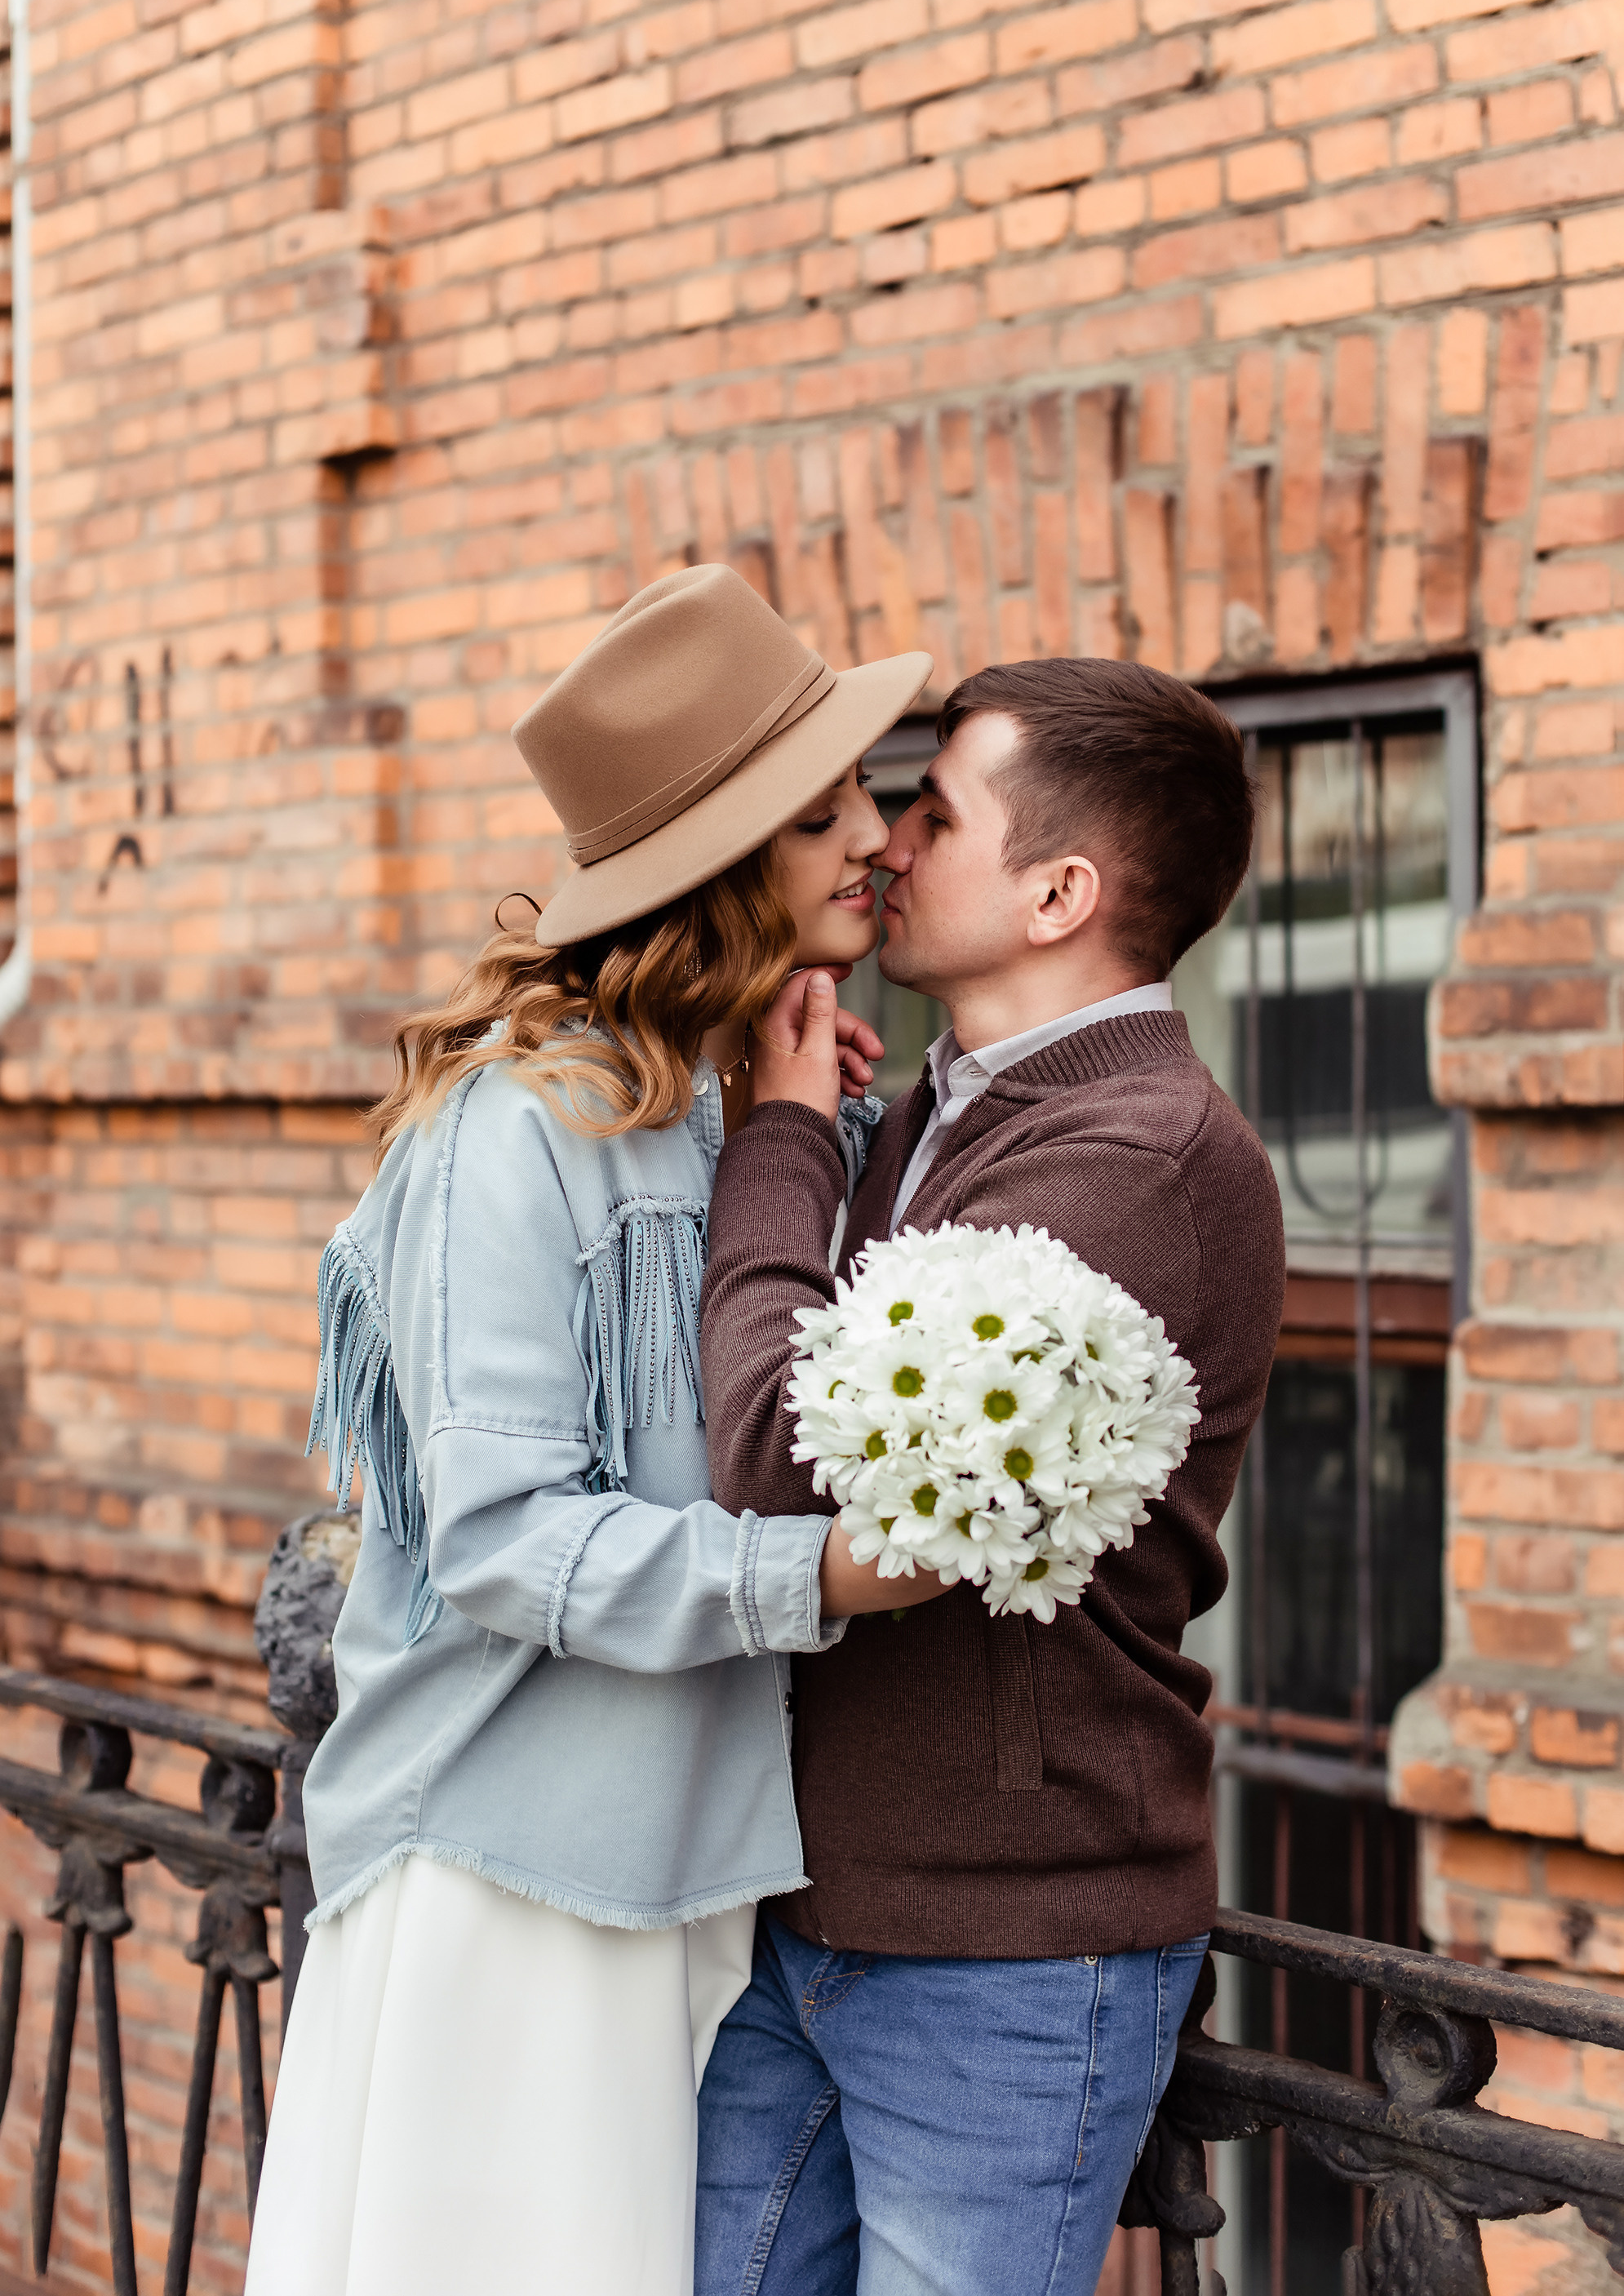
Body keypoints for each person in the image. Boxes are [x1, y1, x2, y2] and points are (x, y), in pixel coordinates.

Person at [243, 562, 939, 2296]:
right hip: (511, 1879)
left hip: (691, 1866)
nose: (877, 830)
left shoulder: (733, 1107)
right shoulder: (513, 1128)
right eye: (822, 807)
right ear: (723, 861)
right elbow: (496, 1535)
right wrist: (822, 1576)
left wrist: (799, 1132)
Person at [695, 655, 1287, 2296]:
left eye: (935, 812)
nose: (887, 841)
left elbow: (776, 1466)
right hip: (804, 1904)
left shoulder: (1138, 1153)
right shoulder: (942, 1108)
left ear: (1056, 890)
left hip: (1011, 1955)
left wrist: (780, 1131)